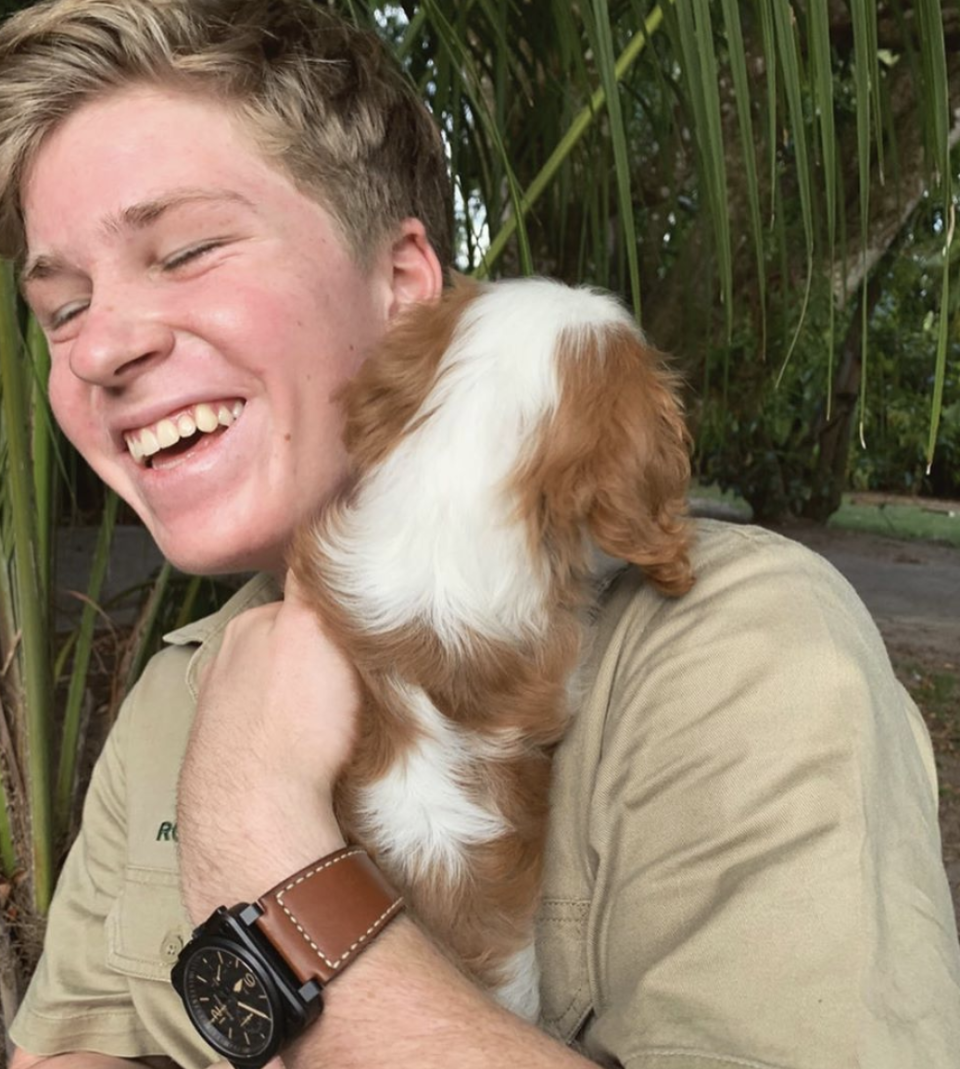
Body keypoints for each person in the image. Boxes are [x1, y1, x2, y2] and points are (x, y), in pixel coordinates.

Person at [2, 1, 959, 1067]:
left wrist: (259, 829)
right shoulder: (182, 687)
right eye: (65, 309)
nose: (98, 351)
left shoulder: (733, 649)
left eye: (185, 250)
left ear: (406, 287)